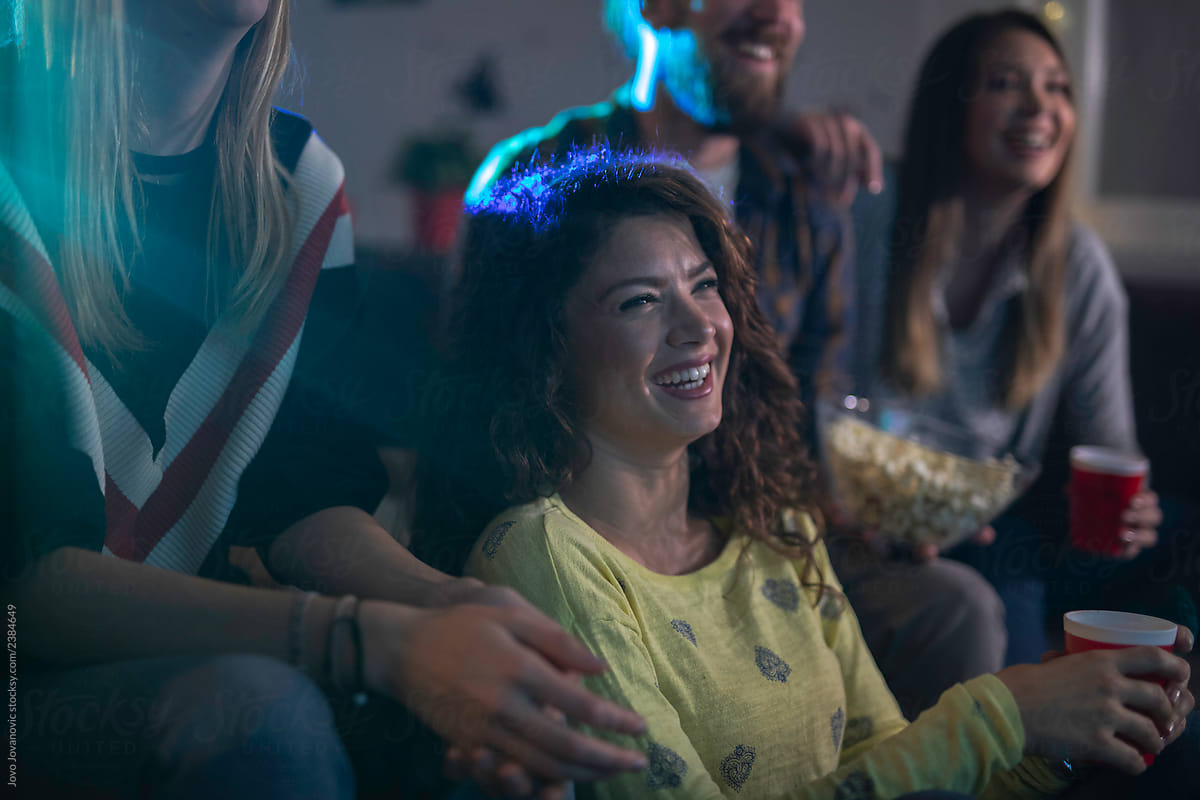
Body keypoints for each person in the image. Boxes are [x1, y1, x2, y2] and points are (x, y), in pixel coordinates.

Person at [0, 2, 648, 797]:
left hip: (178, 662)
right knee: (258, 711)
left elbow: (302, 495)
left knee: (493, 725)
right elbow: (28, 587)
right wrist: (361, 640)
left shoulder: (299, 184)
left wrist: (452, 606)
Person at [448, 144, 1194, 799]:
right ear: (547, 349)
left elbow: (888, 768)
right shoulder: (542, 555)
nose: (699, 326)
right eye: (640, 300)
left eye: (704, 285)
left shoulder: (775, 525)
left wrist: (1061, 740)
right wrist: (1005, 713)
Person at [414, 0, 883, 579]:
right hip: (590, 541)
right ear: (659, 7)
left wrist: (874, 513)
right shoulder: (534, 177)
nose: (776, 13)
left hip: (761, 529)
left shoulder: (806, 191)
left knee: (950, 604)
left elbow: (822, 408)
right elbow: (474, 412)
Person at [838, 9, 1176, 722]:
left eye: (1058, 89)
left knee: (1018, 709)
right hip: (840, 520)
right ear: (950, 106)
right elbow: (801, 390)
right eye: (1006, 84)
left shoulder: (1077, 269)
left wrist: (1131, 513)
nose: (1040, 108)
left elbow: (1112, 452)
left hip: (985, 540)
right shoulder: (867, 211)